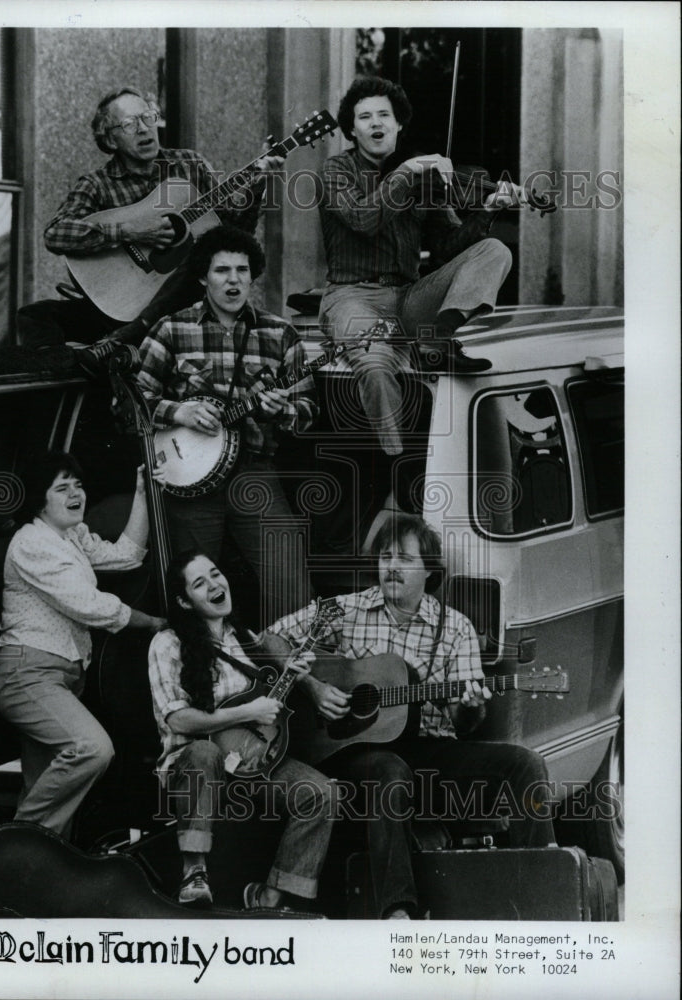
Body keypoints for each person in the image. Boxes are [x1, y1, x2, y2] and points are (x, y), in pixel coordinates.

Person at [269, 511, 555, 919]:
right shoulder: (343, 610)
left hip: (429, 752)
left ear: (429, 571)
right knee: (390, 770)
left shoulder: (455, 628)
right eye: (385, 557)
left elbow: (463, 725)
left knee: (524, 764)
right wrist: (313, 689)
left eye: (403, 559)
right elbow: (271, 638)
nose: (390, 567)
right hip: (355, 753)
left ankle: (543, 894)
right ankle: (397, 912)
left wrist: (468, 706)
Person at [319, 75, 526, 458]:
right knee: (377, 369)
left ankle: (436, 338)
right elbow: (363, 219)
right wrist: (407, 172)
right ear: (351, 129)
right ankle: (399, 462)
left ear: (399, 124)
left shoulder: (421, 180)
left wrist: (488, 209)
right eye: (365, 117)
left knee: (494, 250)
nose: (377, 123)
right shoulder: (337, 171)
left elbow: (449, 248)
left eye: (385, 114)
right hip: (353, 297)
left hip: (409, 297)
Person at [136, 224, 317, 628]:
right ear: (203, 276)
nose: (233, 280)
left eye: (242, 270)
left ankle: (292, 680)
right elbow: (126, 404)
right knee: (195, 591)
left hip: (254, 474)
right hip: (189, 485)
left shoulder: (280, 334)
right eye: (222, 271)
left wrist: (280, 411)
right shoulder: (171, 330)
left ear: (253, 276)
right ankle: (205, 678)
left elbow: (307, 411)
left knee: (291, 585)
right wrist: (176, 413)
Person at [17, 86, 279, 354]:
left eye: (148, 117)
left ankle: (121, 343)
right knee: (34, 316)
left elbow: (236, 236)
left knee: (202, 252)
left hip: (181, 305)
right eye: (129, 124)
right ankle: (71, 373)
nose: (144, 129)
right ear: (109, 140)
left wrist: (255, 190)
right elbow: (56, 234)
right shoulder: (97, 185)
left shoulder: (189, 165)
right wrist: (129, 231)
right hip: (119, 305)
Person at [147, 549, 337, 909]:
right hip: (197, 764)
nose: (214, 584)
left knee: (322, 792)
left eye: (216, 574)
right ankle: (194, 874)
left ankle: (268, 899)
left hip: (255, 763)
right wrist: (248, 711)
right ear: (185, 602)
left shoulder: (247, 638)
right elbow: (177, 719)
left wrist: (293, 675)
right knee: (205, 752)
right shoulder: (168, 643)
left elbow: (268, 701)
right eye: (200, 583)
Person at [0, 451, 165, 837]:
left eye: (78, 484)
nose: (75, 493)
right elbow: (90, 606)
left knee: (49, 794)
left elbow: (127, 556)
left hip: (60, 678)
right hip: (27, 675)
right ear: (41, 498)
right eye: (61, 487)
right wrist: (152, 622)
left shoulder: (70, 536)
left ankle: (33, 880)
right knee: (93, 749)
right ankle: (10, 846)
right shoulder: (32, 543)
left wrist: (142, 492)